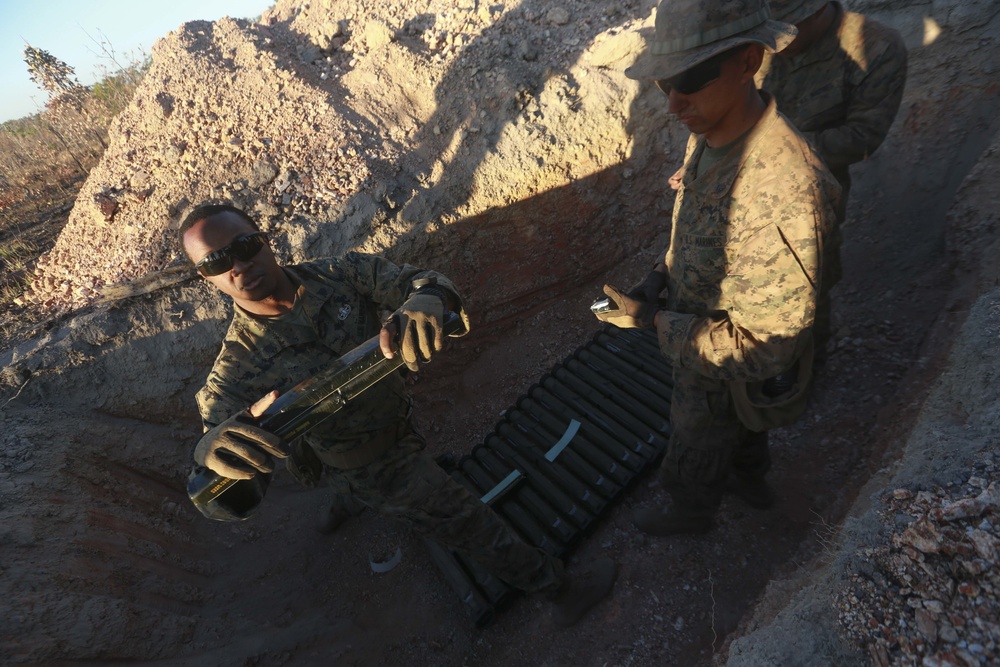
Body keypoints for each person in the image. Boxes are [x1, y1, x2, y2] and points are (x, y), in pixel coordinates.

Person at [180, 203, 616, 626]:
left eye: (244, 245)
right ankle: (560, 590)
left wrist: (428, 296)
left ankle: (343, 505)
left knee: (348, 486)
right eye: (216, 261)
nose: (236, 265)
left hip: (390, 423)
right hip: (375, 463)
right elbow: (216, 428)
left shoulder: (340, 274)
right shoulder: (238, 363)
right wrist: (208, 447)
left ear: (265, 239)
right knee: (465, 521)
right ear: (206, 278)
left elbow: (421, 282)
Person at [594, 0, 841, 535]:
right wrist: (662, 279)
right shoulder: (714, 130)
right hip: (702, 328)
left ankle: (693, 513)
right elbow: (699, 223)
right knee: (741, 426)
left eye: (692, 77)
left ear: (749, 60)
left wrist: (655, 322)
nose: (675, 103)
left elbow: (768, 346)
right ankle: (748, 479)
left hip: (719, 353)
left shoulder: (782, 192)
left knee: (698, 437)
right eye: (665, 83)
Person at [758, 0, 908, 354]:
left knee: (809, 279)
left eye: (786, 28)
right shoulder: (759, 31)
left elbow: (863, 138)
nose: (774, 43)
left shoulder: (877, 47)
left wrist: (770, 150)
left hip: (814, 189)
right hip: (744, 179)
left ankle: (807, 357)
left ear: (816, 11)